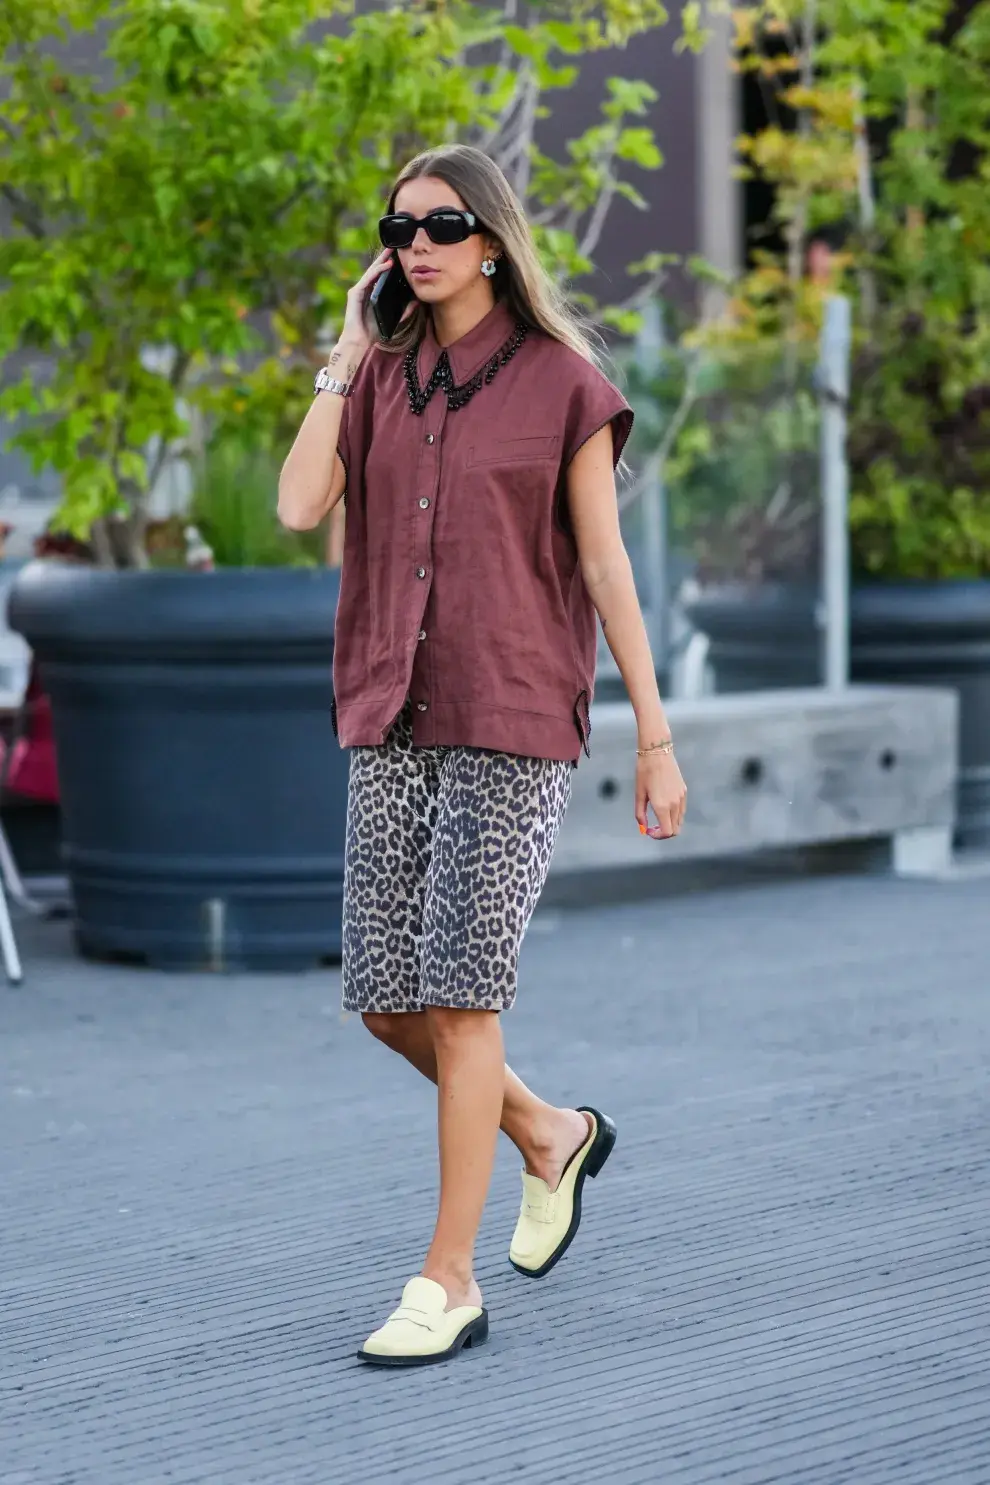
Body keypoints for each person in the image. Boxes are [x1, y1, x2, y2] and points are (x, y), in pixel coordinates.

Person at [278, 144, 687, 1368]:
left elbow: (607, 567)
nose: (416, 243)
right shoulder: (379, 374)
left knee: (462, 1001)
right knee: (385, 1004)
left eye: (443, 223)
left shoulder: (565, 383)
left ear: (493, 239)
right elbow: (302, 506)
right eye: (398, 225)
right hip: (391, 708)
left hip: (512, 710)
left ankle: (444, 1279)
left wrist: (655, 740)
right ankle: (552, 1133)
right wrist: (343, 356)